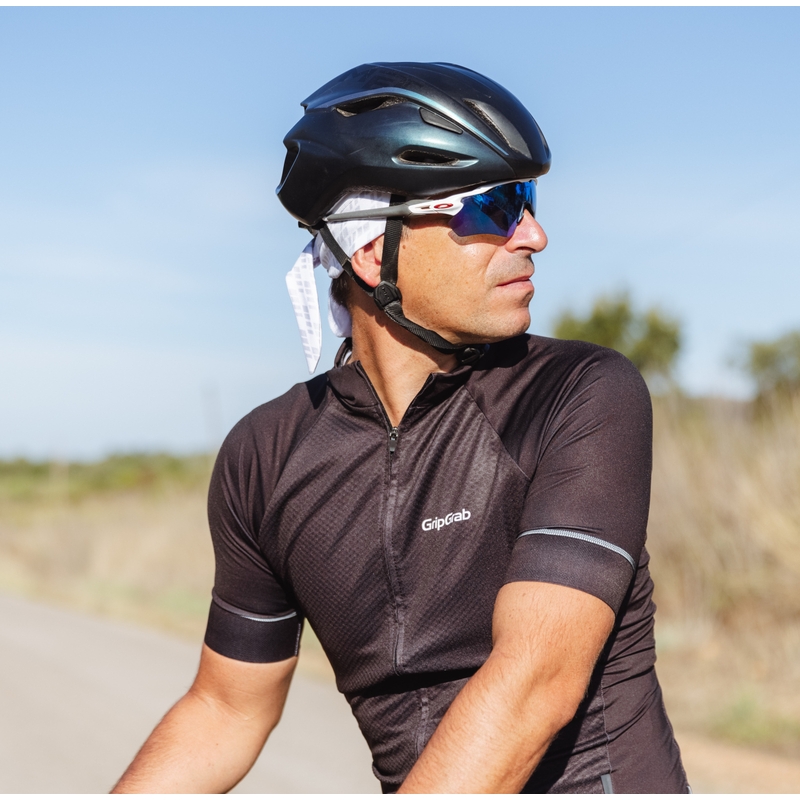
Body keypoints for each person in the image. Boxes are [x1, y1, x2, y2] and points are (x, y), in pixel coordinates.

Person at [113, 62, 689, 794]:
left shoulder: (576, 393)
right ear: (370, 250)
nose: (535, 235)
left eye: (527, 199)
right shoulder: (264, 457)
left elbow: (534, 684)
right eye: (493, 207)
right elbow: (225, 709)